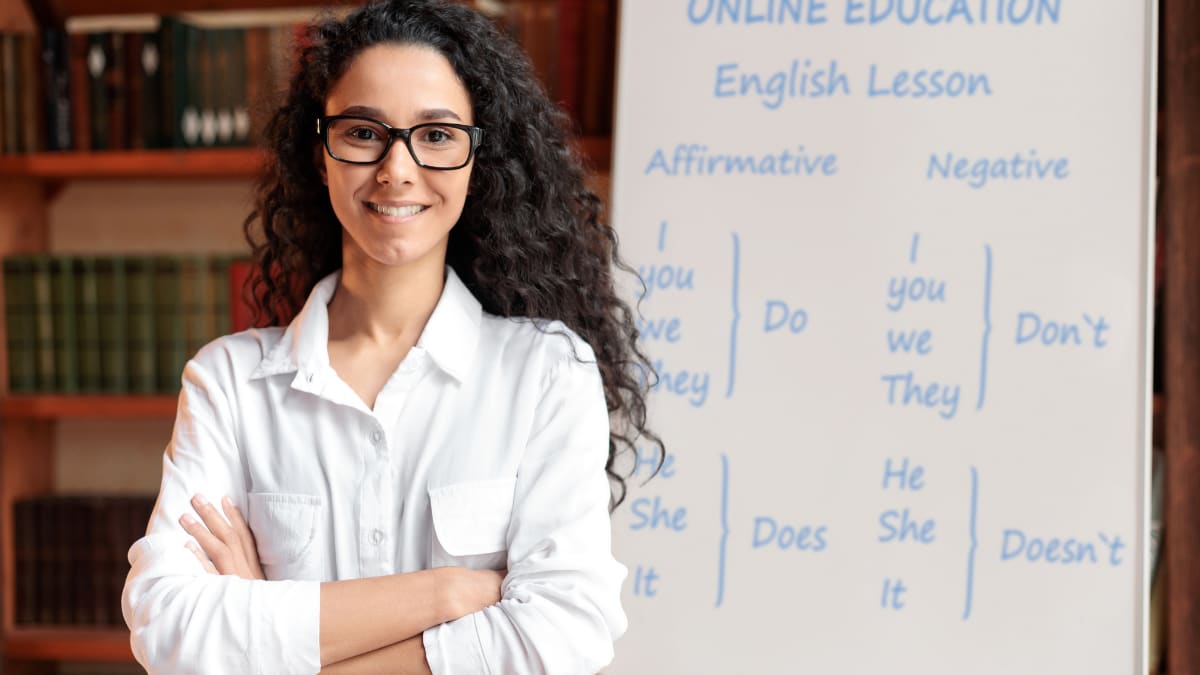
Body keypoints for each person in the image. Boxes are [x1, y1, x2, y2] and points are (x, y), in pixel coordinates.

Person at [121, 1, 661, 672]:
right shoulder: (229, 384)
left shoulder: (545, 374)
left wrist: (281, 638)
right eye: (362, 132)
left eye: (436, 135)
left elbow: (562, 633)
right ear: (321, 156)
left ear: (476, 156)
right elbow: (168, 626)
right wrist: (445, 591)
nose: (396, 169)